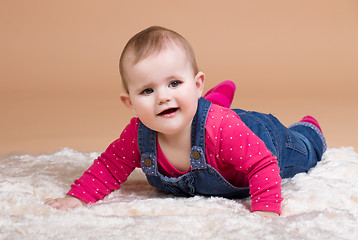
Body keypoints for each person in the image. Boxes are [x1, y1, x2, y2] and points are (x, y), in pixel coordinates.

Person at [45, 26, 326, 218]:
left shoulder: (223, 129)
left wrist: (265, 210)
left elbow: (263, 164)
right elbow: (109, 166)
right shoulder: (137, 135)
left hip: (263, 139)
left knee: (305, 151)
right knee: (193, 111)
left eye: (175, 83)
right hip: (214, 125)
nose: (163, 97)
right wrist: (77, 198)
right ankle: (210, 100)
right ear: (129, 103)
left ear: (196, 83)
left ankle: (308, 129)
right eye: (147, 90)